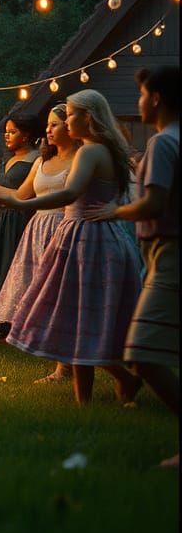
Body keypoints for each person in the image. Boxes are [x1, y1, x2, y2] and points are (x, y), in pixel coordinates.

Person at [0, 90, 143, 406]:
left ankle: (93, 398)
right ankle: (118, 382)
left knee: (78, 319)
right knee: (86, 319)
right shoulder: (106, 150)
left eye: (70, 115)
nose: (66, 122)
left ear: (88, 117)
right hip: (103, 237)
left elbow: (69, 193)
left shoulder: (91, 152)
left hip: (85, 239)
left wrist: (20, 201)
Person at [83, 67, 178, 462]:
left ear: (154, 98)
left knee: (141, 353)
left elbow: (154, 202)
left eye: (140, 94)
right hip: (163, 251)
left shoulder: (163, 143)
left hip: (170, 252)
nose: (137, 102)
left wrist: (116, 210)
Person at [0, 105, 77, 384]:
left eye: (54, 124)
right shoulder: (41, 161)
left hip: (63, 227)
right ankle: (60, 365)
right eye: (47, 125)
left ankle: (67, 365)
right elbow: (21, 195)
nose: (47, 131)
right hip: (38, 228)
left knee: (61, 297)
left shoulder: (80, 159)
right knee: (40, 293)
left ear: (70, 128)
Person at [0, 112, 42, 333]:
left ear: (26, 135)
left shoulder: (36, 159)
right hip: (1, 217)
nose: (7, 136)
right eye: (6, 132)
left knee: (13, 265)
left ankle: (14, 321)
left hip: (20, 217)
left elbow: (23, 194)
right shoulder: (7, 159)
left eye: (12, 132)